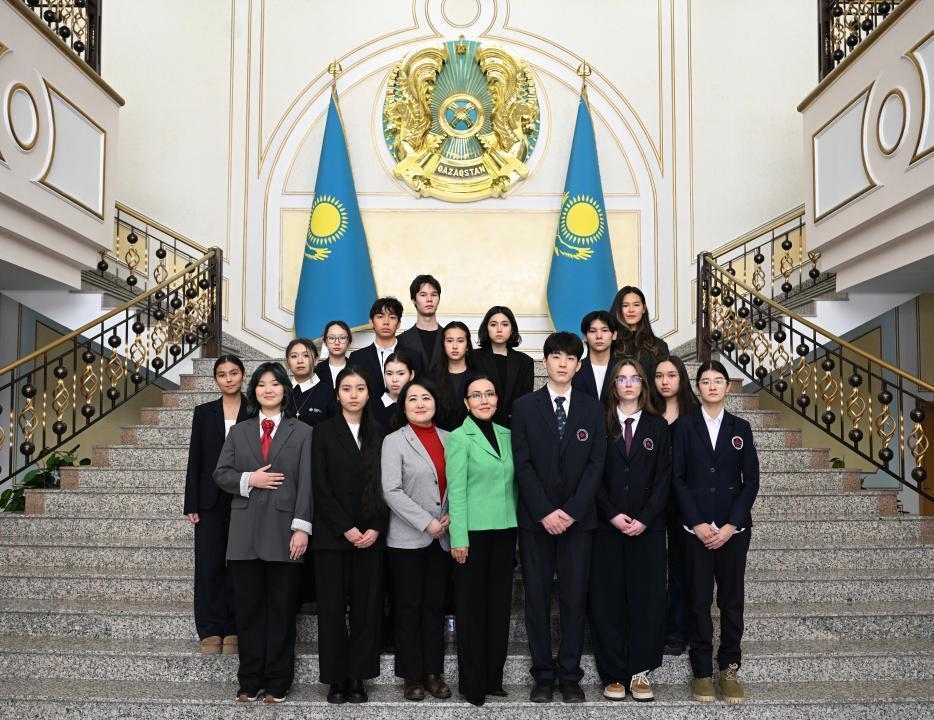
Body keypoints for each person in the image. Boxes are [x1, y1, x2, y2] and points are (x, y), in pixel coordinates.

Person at [511, 332, 606, 704]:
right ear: (545, 362)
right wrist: (545, 512)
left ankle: (569, 674)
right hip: (536, 522)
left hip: (578, 522)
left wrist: (571, 511)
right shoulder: (524, 406)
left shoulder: (592, 407)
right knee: (535, 598)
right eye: (555, 356)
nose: (562, 363)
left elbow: (597, 463)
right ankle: (543, 675)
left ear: (578, 365)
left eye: (570, 357)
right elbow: (523, 463)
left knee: (573, 598)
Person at [213, 362, 312, 704]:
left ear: (285, 390)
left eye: (274, 384)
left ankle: (277, 681)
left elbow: (308, 484)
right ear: (253, 391)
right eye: (261, 385)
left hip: (286, 534)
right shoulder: (239, 432)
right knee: (249, 610)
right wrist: (248, 480)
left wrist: (302, 527)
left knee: (282, 611)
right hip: (243, 536)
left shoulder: (303, 431)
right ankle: (249, 679)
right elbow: (220, 473)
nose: (267, 389)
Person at [672, 360, 759, 705]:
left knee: (731, 600)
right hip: (694, 530)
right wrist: (696, 522)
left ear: (727, 387)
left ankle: (729, 668)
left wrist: (730, 525)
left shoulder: (742, 427)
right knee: (698, 599)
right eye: (705, 381)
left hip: (732, 530)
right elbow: (677, 478)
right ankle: (702, 673)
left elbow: (750, 480)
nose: (711, 386)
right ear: (696, 388)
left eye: (717, 381)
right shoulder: (683, 427)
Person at [588, 358, 671, 702]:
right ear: (614, 386)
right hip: (607, 529)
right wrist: (611, 515)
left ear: (643, 385)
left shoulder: (658, 427)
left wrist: (645, 518)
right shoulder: (600, 422)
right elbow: (592, 475)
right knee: (607, 601)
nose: (628, 383)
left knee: (646, 599)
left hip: (647, 530)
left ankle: (640, 672)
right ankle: (613, 674)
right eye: (621, 378)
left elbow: (664, 478)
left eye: (634, 378)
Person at [311, 366, 388, 705]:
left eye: (360, 388)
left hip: (371, 536)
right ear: (337, 394)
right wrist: (346, 527)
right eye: (346, 388)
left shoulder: (381, 433)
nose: (353, 394)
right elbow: (320, 486)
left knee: (366, 610)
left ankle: (358, 677)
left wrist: (374, 527)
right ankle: (335, 678)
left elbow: (389, 486)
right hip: (332, 536)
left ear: (369, 394)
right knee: (330, 610)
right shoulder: (323, 432)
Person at [445, 373, 517, 707]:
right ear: (466, 402)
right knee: (472, 610)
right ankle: (473, 684)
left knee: (499, 608)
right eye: (476, 395)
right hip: (471, 536)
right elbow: (455, 492)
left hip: (505, 532)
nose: (484, 400)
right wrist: (458, 537)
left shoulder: (508, 435)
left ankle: (494, 678)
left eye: (490, 393)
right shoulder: (460, 438)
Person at [381, 378, 453, 702]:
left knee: (435, 607)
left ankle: (433, 674)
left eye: (426, 397)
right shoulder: (394, 441)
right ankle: (411, 675)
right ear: (404, 405)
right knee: (409, 607)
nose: (421, 403)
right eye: (413, 399)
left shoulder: (451, 439)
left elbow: (458, 486)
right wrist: (427, 523)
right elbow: (390, 490)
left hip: (444, 538)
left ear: (436, 402)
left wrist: (451, 517)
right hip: (408, 539)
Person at [184, 355, 248, 655]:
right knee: (209, 563)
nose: (229, 379)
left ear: (243, 375)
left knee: (238, 564)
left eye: (234, 373)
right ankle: (209, 629)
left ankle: (234, 627)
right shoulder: (204, 413)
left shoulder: (255, 409)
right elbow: (195, 459)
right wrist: (191, 502)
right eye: (222, 374)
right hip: (209, 499)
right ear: (216, 380)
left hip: (245, 497)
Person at [652, 355, 700, 655]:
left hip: (686, 502)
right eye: (658, 376)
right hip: (653, 501)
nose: (665, 381)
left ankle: (678, 632)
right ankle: (652, 628)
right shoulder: (647, 413)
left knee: (683, 567)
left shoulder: (695, 415)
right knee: (654, 568)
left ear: (681, 378)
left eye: (671, 375)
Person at [471, 306, 534, 427]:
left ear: (512, 329)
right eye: (493, 324)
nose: (499, 329)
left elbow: (525, 401)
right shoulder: (473, 357)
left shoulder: (525, 362)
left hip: (514, 427)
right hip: (480, 425)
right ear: (486, 328)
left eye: (505, 324)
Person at [349, 297, 404, 400]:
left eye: (392, 317)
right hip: (369, 415)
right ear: (371, 322)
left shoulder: (414, 356)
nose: (386, 322)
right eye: (380, 316)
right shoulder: (357, 357)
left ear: (399, 323)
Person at [610, 286, 669, 379]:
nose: (631, 310)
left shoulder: (659, 346)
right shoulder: (609, 343)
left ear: (644, 308)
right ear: (618, 309)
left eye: (636, 305)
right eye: (625, 305)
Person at [397, 274, 443, 374]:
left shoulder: (449, 337)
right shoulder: (401, 340)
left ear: (439, 299)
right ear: (413, 300)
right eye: (423, 295)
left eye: (434, 294)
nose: (429, 299)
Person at [432, 321, 473, 432]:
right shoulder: (431, 377)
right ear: (443, 345)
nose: (455, 346)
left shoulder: (478, 377)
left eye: (460, 341)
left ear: (467, 345)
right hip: (439, 438)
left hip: (472, 439)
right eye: (449, 341)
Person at [287, 337, 335, 428]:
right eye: (294, 356)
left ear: (316, 360)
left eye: (306, 355)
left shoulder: (327, 392)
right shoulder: (282, 391)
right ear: (288, 362)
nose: (300, 361)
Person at [573, 310, 618, 403]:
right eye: (593, 331)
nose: (599, 336)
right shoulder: (574, 369)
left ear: (614, 335)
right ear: (585, 336)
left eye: (604, 330)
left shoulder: (623, 368)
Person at [372, 350, 417, 433]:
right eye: (389, 374)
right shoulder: (370, 407)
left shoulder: (418, 406)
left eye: (401, 374)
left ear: (411, 375)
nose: (394, 380)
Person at [318, 320, 352, 389]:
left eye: (342, 338)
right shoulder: (316, 370)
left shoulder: (358, 369)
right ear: (325, 342)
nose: (337, 342)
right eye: (331, 338)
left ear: (349, 342)